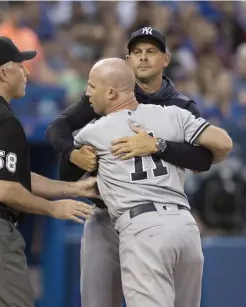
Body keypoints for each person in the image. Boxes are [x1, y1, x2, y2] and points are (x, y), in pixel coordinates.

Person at [46, 27, 214, 307]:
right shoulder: (110, 94)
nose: (143, 59)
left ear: (166, 59)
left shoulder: (178, 107)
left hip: (154, 216)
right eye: (136, 53)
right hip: (106, 215)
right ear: (127, 60)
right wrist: (72, 153)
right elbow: (58, 127)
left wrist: (158, 145)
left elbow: (203, 159)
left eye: (151, 52)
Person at [0, 36, 97, 307]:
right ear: (3, 72)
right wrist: (52, 209)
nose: (26, 71)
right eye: (20, 65)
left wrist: (72, 188)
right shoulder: (2, 119)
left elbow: (14, 176)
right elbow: (4, 188)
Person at [74, 57, 233, 307]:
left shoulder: (94, 131)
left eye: (92, 87)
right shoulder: (173, 115)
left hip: (142, 229)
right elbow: (223, 145)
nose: (87, 93)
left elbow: (66, 168)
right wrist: (163, 146)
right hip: (185, 228)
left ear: (112, 92)